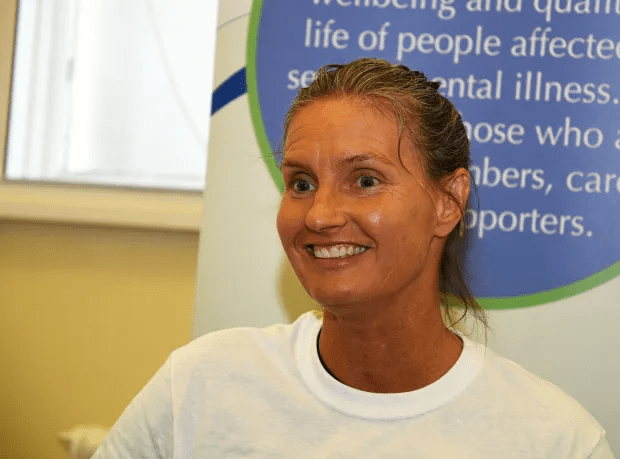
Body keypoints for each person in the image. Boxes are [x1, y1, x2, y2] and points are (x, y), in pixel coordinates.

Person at [93, 58, 614, 458]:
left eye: (365, 180)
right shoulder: (199, 386)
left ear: (447, 202)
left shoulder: (554, 440)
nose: (319, 215)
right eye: (301, 182)